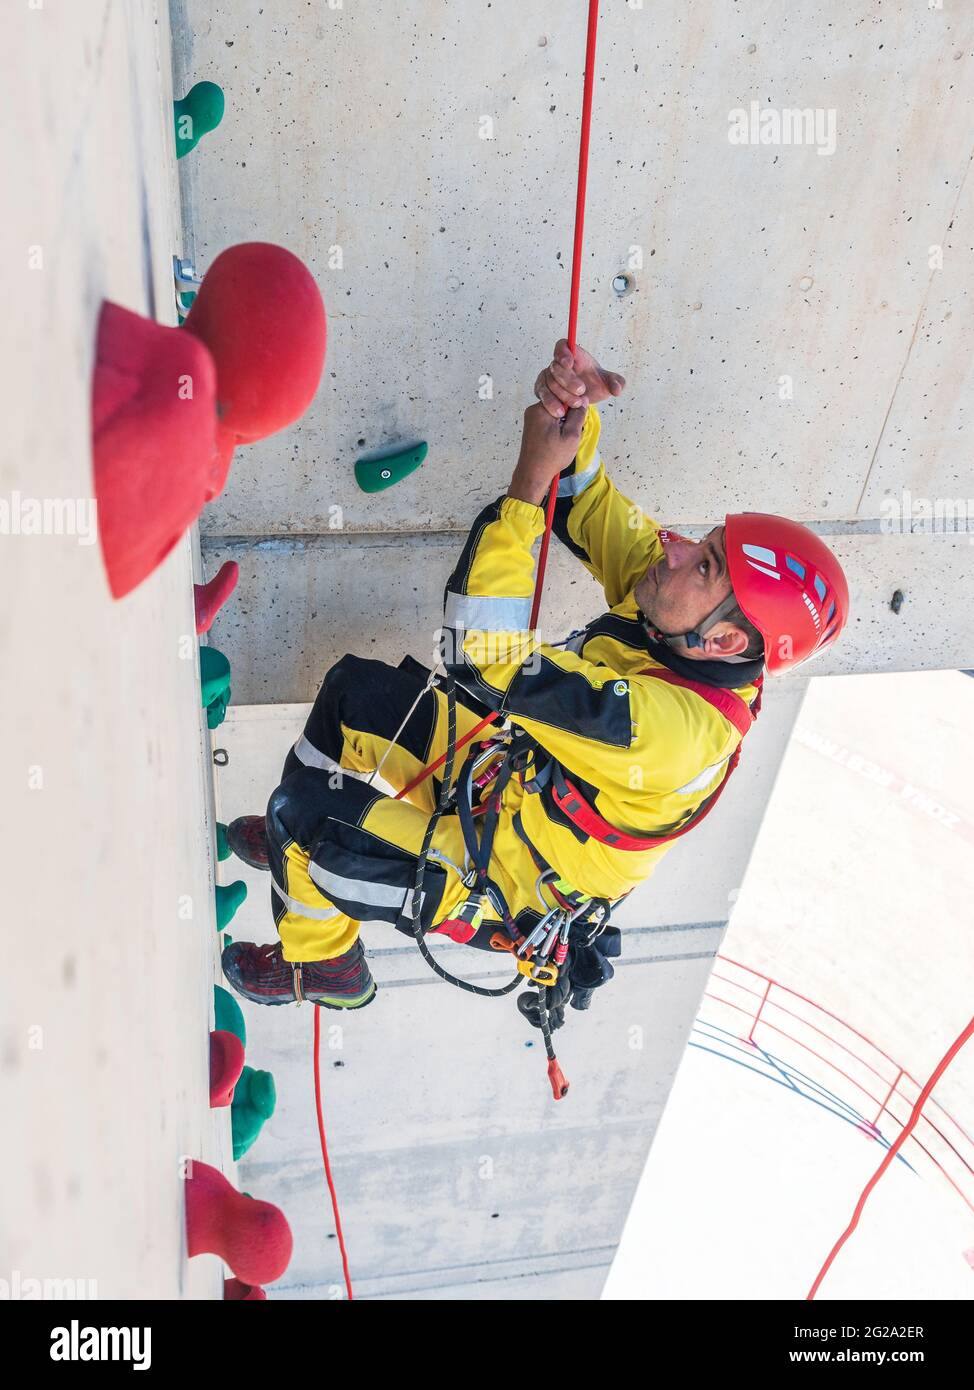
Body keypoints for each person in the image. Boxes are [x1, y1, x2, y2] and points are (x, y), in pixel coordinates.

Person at [222, 340, 849, 1024]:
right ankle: (299, 869)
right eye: (705, 544)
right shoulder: (681, 615)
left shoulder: (670, 736)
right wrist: (573, 415)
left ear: (727, 639)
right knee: (353, 695)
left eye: (705, 566)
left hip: (500, 877)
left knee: (300, 817)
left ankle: (322, 964)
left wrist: (527, 483)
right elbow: (587, 505)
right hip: (506, 781)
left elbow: (479, 653)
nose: (675, 548)